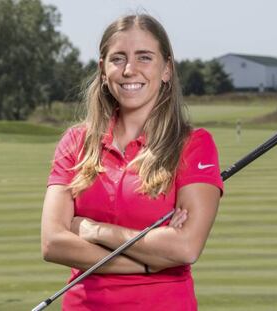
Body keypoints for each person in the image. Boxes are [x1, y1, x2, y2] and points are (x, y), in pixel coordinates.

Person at [41, 14, 223, 311]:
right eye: (118, 59)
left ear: (166, 69)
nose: (129, 70)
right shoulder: (76, 142)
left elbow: (185, 247)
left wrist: (92, 230)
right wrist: (149, 262)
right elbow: (53, 243)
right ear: (102, 70)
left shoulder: (194, 145)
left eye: (144, 57)